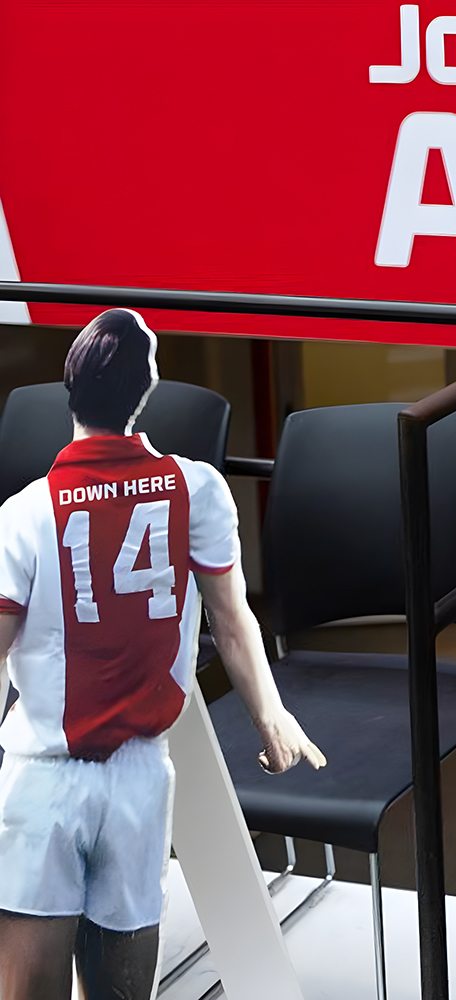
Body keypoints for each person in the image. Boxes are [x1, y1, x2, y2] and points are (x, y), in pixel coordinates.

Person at [0, 309, 325, 1000]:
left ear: (69, 386)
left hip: (42, 778)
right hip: (140, 778)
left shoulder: (25, 513)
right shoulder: (198, 487)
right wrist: (271, 718)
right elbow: (232, 620)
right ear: (146, 386)